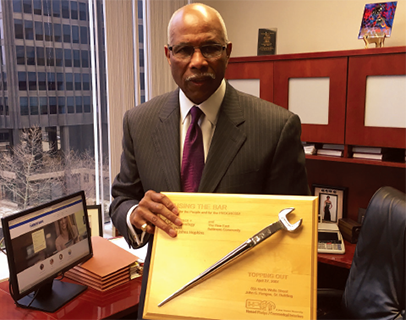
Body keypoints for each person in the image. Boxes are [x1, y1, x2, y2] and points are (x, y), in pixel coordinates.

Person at [109, 3, 310, 318]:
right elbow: (122, 198)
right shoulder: (139, 122)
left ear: (228, 52)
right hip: (163, 298)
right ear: (168, 55)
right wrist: (135, 215)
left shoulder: (275, 127)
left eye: (211, 48)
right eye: (184, 50)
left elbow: (293, 229)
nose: (198, 61)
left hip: (242, 302)